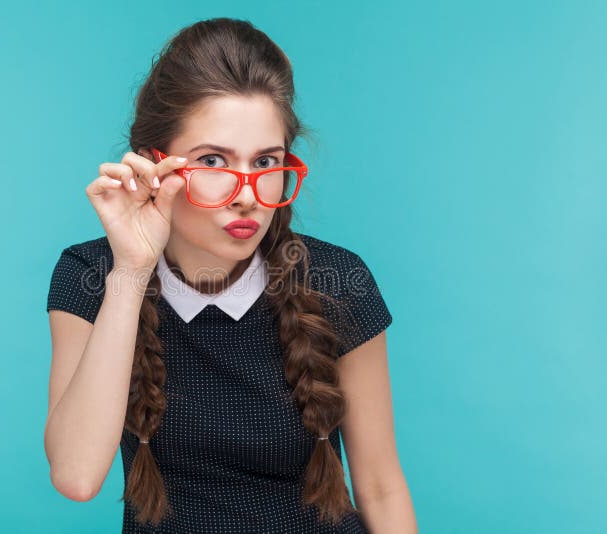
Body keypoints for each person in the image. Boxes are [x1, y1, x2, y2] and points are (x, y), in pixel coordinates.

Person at [44, 17, 417, 533]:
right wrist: (131, 269)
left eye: (266, 160)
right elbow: (76, 475)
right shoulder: (91, 274)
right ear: (154, 165)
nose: (247, 194)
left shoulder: (336, 280)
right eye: (214, 159)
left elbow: (380, 483)